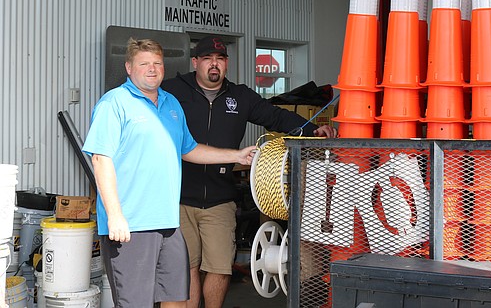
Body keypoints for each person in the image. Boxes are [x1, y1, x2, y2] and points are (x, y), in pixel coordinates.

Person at [161, 35, 337, 308]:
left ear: (226, 64)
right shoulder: (172, 90)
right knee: (187, 266)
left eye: (220, 59)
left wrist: (313, 129)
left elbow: (276, 117)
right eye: (207, 59)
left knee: (220, 267)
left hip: (220, 197)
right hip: (179, 196)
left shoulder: (240, 96)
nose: (214, 65)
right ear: (195, 62)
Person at [82, 38, 257, 308]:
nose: (152, 69)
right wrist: (115, 215)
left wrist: (235, 155)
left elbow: (189, 149)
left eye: (157, 63)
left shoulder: (171, 104)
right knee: (135, 303)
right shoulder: (114, 103)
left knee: (176, 298)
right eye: (144, 64)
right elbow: (101, 159)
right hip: (131, 225)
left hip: (168, 223)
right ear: (129, 68)